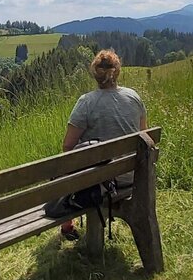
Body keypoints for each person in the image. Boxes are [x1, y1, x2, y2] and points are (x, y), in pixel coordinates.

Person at [60, 49, 147, 240]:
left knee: (61, 169)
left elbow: (67, 147)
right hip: (136, 177)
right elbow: (144, 137)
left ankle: (67, 226)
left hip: (103, 184)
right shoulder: (134, 97)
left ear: (95, 74)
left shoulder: (86, 102)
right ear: (117, 71)